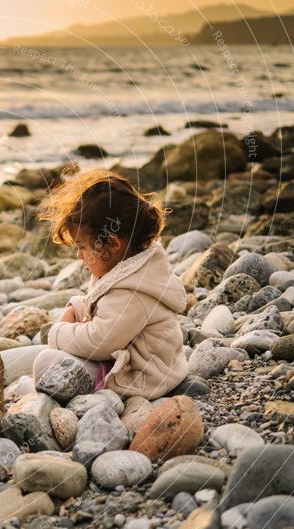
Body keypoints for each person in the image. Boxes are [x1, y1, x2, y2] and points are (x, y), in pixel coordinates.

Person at [32, 169, 188, 400]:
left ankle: (61, 393)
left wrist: (59, 333)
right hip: (125, 361)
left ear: (112, 244)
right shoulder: (130, 270)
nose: (79, 256)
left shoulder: (134, 292)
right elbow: (108, 314)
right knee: (51, 361)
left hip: (139, 378)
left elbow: (100, 341)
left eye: (82, 247)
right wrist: (78, 307)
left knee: (45, 361)